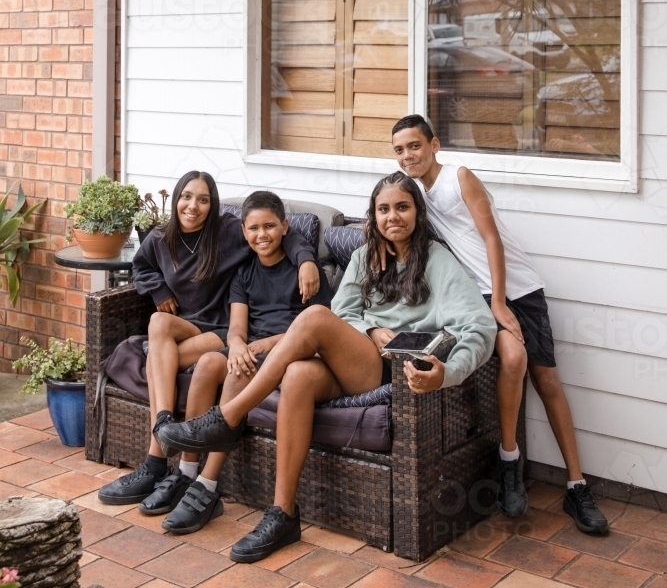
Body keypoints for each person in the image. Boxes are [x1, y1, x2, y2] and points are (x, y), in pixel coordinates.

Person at [158, 171, 496, 562]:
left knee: (315, 317)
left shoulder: (438, 261)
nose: (393, 217)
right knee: (299, 374)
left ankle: (228, 417)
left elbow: (480, 327)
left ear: (418, 212)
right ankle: (283, 513)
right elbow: (346, 313)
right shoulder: (364, 256)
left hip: (391, 373)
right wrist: (370, 329)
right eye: (383, 209)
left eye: (402, 207)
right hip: (356, 359)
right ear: (373, 216)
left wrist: (447, 374)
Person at [391, 114, 608, 535]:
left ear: (434, 145)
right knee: (513, 359)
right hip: (480, 298)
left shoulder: (460, 177)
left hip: (519, 290)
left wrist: (499, 299)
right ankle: (510, 464)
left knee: (546, 380)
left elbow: (491, 237)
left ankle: (577, 487)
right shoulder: (416, 191)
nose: (407, 155)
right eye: (399, 149)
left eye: (414, 145)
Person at [98, 171, 320, 510]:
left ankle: (156, 460)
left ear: (213, 205)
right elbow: (141, 267)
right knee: (158, 322)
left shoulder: (229, 231)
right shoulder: (160, 237)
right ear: (176, 199)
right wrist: (158, 289)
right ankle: (161, 436)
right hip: (189, 326)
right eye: (187, 197)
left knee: (158, 358)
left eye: (203, 200)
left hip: (222, 327)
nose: (193, 206)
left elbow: (280, 234)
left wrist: (306, 259)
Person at [157, 190, 332, 534]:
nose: (261, 234)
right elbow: (237, 326)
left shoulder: (305, 271)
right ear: (244, 232)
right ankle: (187, 471)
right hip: (253, 350)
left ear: (285, 227)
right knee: (209, 362)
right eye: (253, 228)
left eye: (270, 226)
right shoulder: (244, 273)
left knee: (239, 371)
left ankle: (208, 485)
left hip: (291, 354)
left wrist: (258, 346)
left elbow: (317, 329)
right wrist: (237, 344)